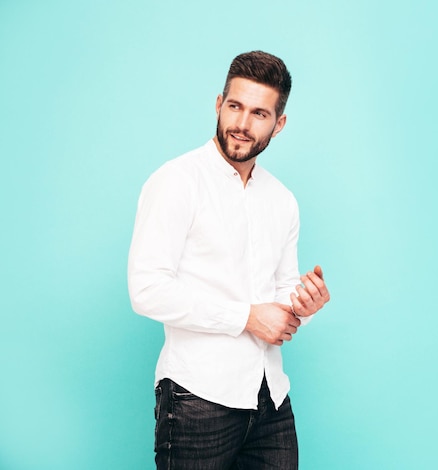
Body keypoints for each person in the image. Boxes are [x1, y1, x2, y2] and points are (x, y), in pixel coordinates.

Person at [128, 51, 330, 469]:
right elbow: (147, 290)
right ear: (218, 104)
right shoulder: (176, 182)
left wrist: (303, 307)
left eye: (259, 113)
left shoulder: (282, 200)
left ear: (279, 124)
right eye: (235, 106)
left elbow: (280, 294)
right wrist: (245, 317)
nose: (241, 124)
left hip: (270, 398)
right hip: (196, 397)